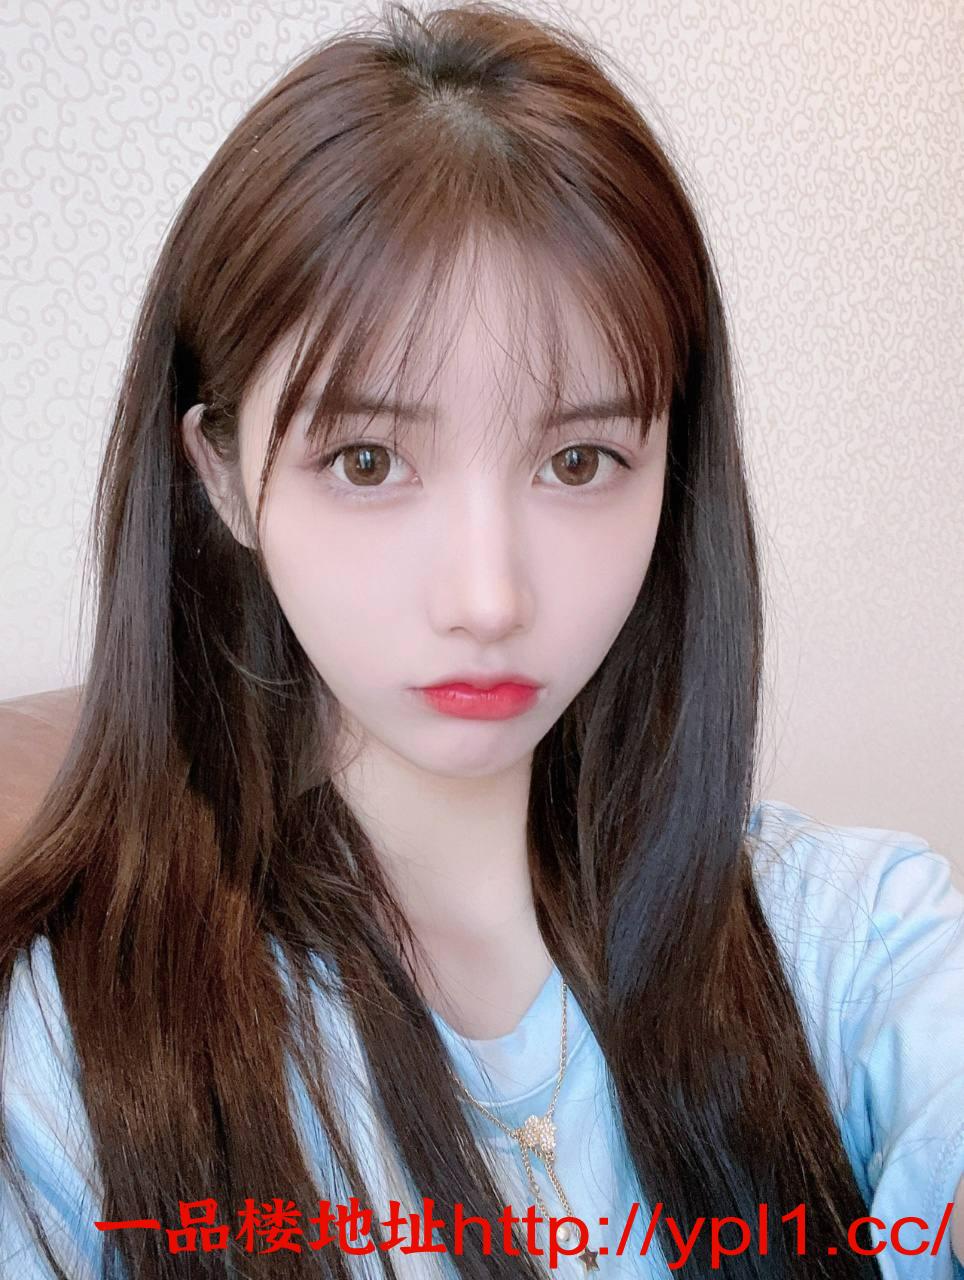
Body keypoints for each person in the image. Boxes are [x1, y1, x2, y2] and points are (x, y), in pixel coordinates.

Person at [1, 2, 961, 1278]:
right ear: (221, 474)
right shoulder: (62, 1060)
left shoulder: (845, 941)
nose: (488, 595)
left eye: (579, 459)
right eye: (367, 459)